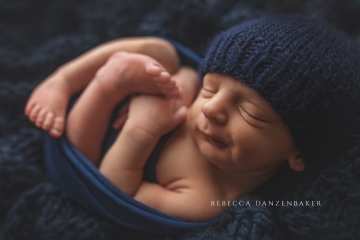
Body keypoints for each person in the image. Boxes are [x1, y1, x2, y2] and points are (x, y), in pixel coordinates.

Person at [25, 15, 360, 222]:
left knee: (79, 152)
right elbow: (190, 74)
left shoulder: (208, 198)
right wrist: (185, 83)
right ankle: (64, 80)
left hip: (95, 156)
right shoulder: (199, 95)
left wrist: (141, 131)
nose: (212, 110)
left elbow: (115, 195)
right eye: (211, 88)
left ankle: (103, 85)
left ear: (298, 153)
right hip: (152, 87)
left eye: (250, 112)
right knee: (162, 52)